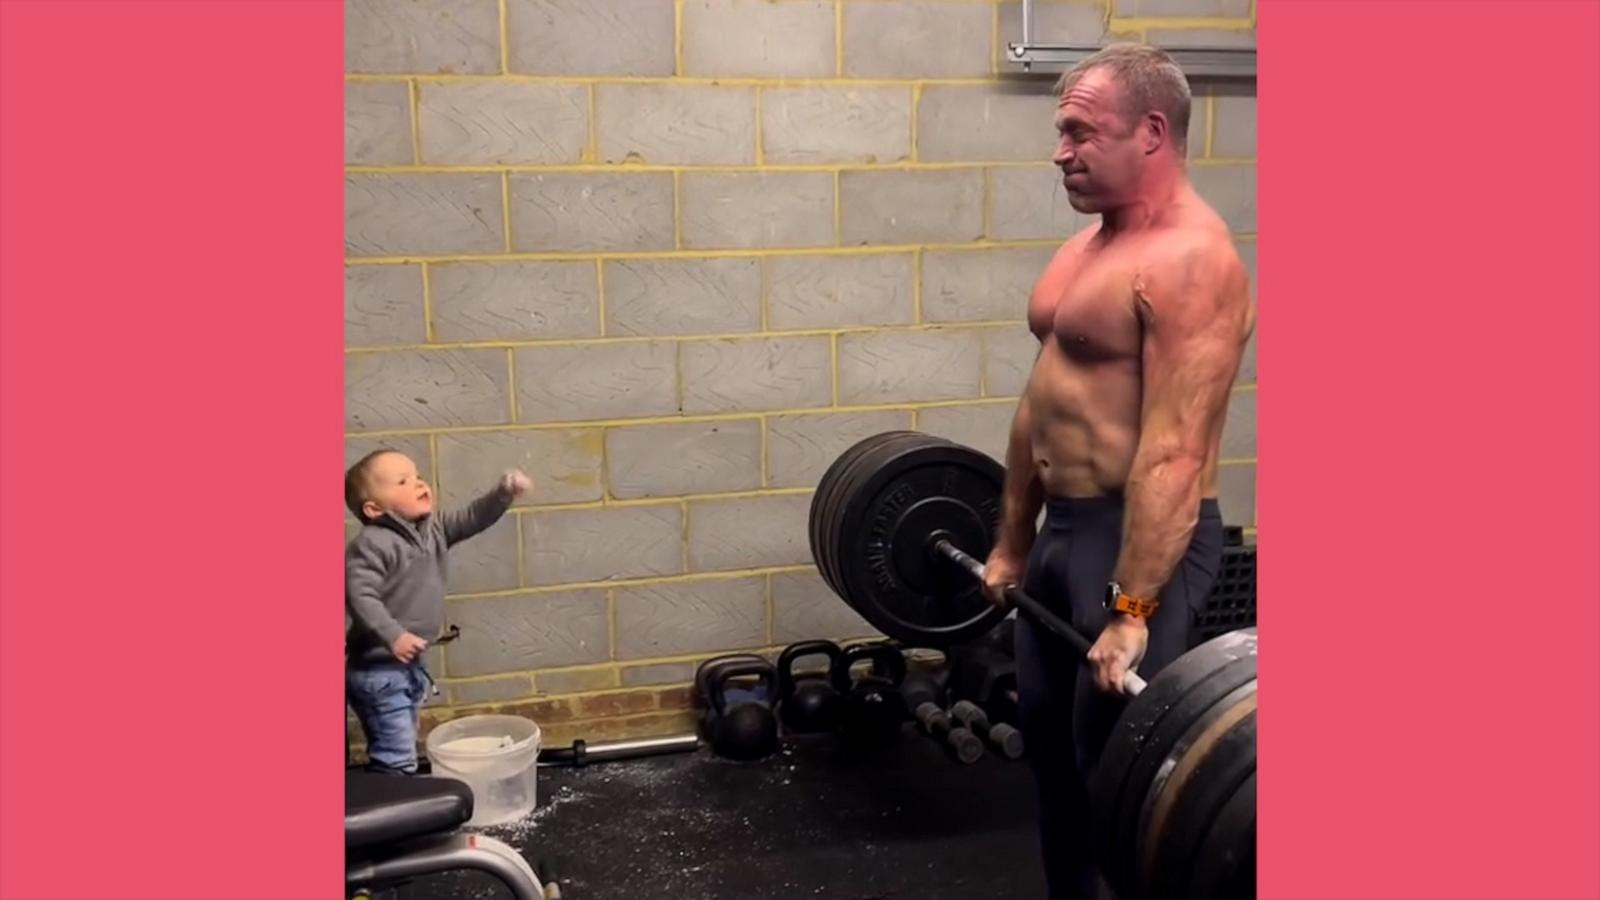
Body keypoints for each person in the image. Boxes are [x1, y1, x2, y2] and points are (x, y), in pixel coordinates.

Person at [979, 43, 1255, 898]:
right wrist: (1014, 541)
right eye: (1060, 131)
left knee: (1119, 772)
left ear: (1152, 132)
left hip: (1136, 542)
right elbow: (1040, 404)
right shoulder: (1089, 248)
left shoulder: (1192, 262)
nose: (1060, 151)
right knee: (1051, 759)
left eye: (1079, 132)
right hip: (1064, 534)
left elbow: (1174, 450)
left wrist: (1134, 608)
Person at [344, 449, 533, 774]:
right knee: (396, 755)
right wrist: (394, 636)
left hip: (407, 664)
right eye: (403, 481)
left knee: (401, 744)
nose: (419, 483)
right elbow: (359, 595)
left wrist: (504, 493)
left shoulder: (434, 530)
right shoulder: (372, 544)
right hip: (378, 671)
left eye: (417, 476)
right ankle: (394, 806)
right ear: (374, 509)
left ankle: (397, 794)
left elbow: (473, 517)